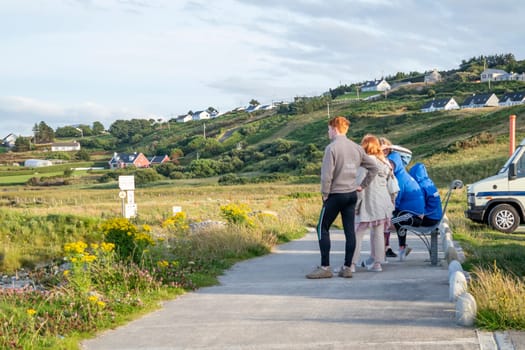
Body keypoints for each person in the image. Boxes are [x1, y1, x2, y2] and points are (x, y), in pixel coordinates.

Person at [306, 116, 378, 279]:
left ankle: (325, 267)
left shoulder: (331, 148)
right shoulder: (356, 148)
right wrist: (363, 185)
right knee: (349, 231)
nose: (328, 132)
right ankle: (347, 267)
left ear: (335, 129)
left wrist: (325, 194)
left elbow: (326, 176)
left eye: (329, 129)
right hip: (352, 194)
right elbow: (373, 167)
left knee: (322, 228)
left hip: (335, 194)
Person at [352, 134, 395, 272]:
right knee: (378, 234)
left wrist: (356, 206)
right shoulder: (384, 163)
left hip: (367, 203)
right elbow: (392, 186)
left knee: (358, 233)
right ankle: (378, 264)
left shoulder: (364, 163)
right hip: (382, 203)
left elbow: (359, 186)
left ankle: (351, 264)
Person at [388, 151, 425, 260]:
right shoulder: (402, 175)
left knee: (390, 222)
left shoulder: (400, 179)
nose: (390, 165)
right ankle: (402, 248)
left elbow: (396, 201)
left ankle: (397, 249)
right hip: (411, 213)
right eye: (388, 162)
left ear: (398, 163)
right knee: (396, 218)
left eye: (392, 163)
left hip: (415, 216)